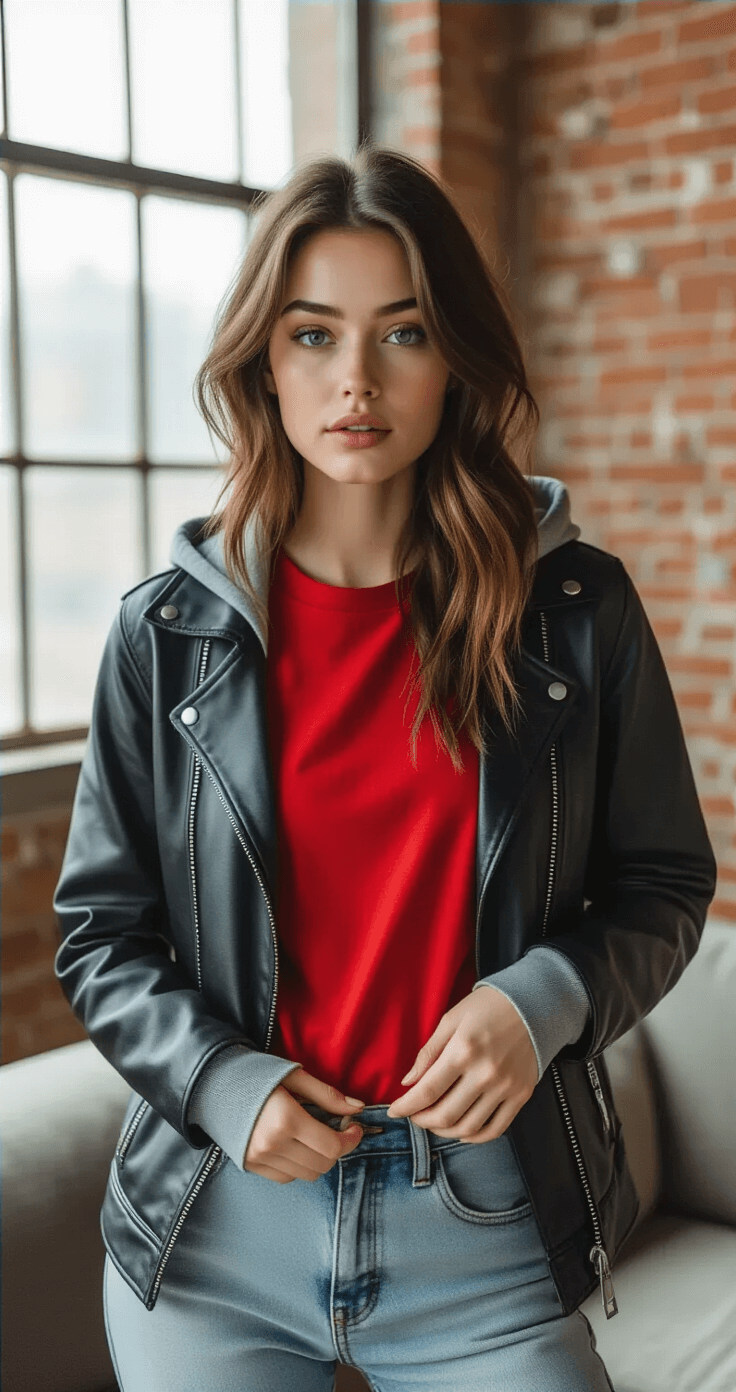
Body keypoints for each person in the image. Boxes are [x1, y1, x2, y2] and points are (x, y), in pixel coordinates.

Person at [53, 145, 716, 1392]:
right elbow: (100, 932)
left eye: (402, 332)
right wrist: (223, 1082)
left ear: (452, 353)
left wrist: (544, 1003)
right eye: (312, 334)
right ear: (261, 355)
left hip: (482, 1233)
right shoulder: (163, 635)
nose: (355, 379)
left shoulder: (574, 611)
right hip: (215, 1234)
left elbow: (665, 884)